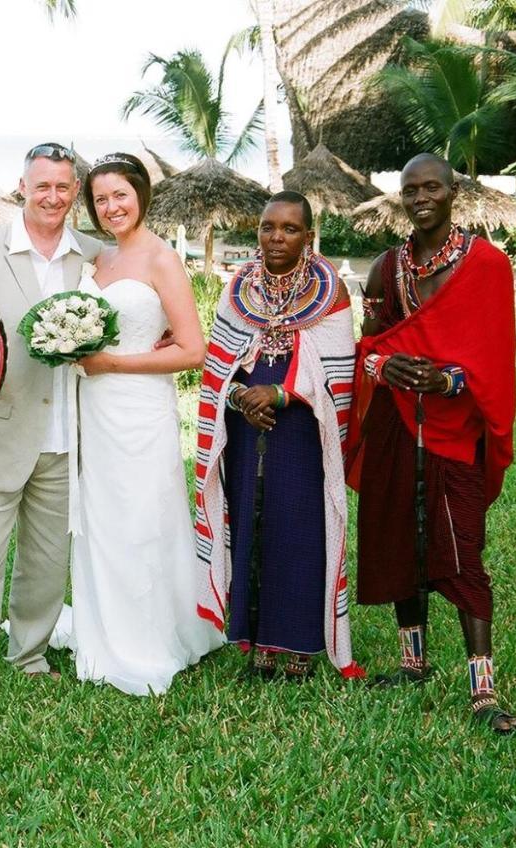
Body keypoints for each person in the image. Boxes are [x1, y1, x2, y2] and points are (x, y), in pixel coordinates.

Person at [347, 153, 516, 733]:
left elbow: (497, 360)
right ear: (400, 197)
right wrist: (389, 370)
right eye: (411, 189)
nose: (421, 196)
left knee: (461, 551)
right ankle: (413, 662)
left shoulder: (487, 265)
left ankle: (483, 690)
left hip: (457, 430)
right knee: (401, 533)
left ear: (455, 193)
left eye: (432, 187)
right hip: (398, 424)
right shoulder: (385, 269)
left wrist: (448, 379)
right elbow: (369, 349)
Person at [0, 143, 103, 707]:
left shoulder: (93, 255)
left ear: (74, 191)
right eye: (42, 187)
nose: (52, 197)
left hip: (66, 431)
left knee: (46, 559)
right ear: (23, 188)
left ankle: (29, 652)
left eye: (63, 187)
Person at [65, 152, 225, 695]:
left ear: (141, 195)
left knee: (142, 515)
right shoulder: (96, 260)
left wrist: (113, 363)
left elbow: (192, 349)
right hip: (92, 410)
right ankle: (101, 627)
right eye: (101, 199)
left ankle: (150, 636)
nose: (111, 208)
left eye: (120, 196)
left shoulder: (160, 258)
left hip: (139, 407)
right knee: (100, 515)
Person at [194, 192, 364, 682]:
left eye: (290, 229)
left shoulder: (330, 290)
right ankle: (257, 641)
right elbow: (220, 362)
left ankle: (300, 646)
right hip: (248, 426)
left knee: (298, 528)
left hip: (302, 429)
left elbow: (338, 373)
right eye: (268, 227)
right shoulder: (240, 287)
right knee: (252, 519)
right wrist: (241, 397)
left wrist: (281, 395)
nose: (276, 237)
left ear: (308, 237)